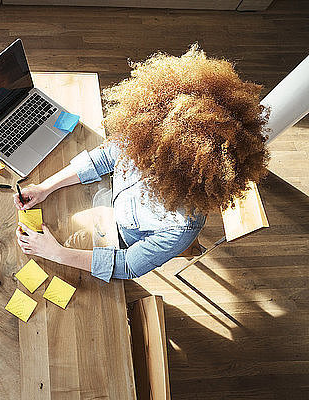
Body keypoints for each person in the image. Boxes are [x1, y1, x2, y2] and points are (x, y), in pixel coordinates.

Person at [14, 45, 270, 281]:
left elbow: (127, 265)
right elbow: (103, 157)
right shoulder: (150, 135)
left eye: (151, 167)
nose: (138, 161)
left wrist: (56, 253)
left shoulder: (181, 227)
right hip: (105, 201)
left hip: (116, 240)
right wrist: (45, 188)